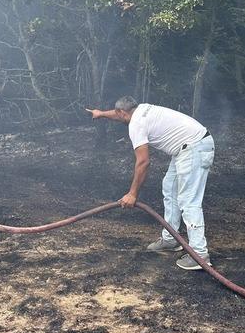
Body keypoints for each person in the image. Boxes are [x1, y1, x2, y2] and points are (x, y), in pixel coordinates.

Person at [87, 96, 214, 270]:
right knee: (169, 188)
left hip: (194, 148)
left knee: (188, 201)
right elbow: (118, 114)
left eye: (118, 114)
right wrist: (100, 114)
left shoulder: (136, 124)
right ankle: (171, 239)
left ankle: (200, 255)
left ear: (122, 112)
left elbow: (143, 162)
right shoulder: (141, 109)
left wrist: (132, 194)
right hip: (189, 147)